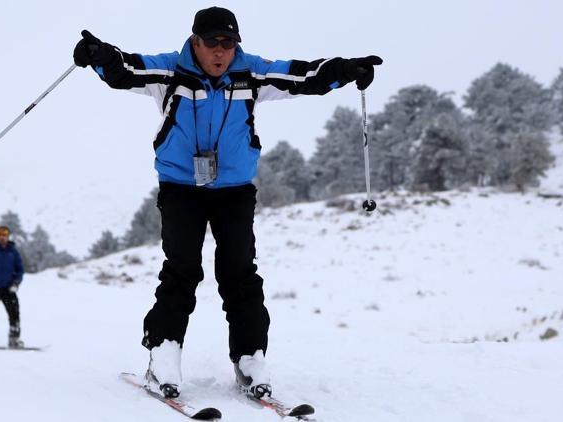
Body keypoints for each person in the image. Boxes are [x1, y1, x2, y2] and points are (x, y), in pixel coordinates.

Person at [73, 6, 382, 399]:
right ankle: (163, 353)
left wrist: (344, 69)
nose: (222, 52)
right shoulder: (170, 71)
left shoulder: (249, 71)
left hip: (234, 190)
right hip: (181, 187)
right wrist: (100, 55)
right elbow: (126, 70)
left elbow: (301, 75)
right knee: (182, 270)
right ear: (196, 42)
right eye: (213, 43)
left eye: (229, 43)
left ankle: (250, 358)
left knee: (240, 274)